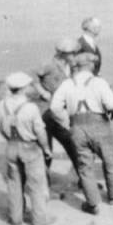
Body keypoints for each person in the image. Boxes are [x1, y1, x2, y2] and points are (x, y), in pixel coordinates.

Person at [50, 52, 113, 215]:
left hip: (77, 126)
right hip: (99, 124)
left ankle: (92, 204)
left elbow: (54, 108)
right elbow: (112, 105)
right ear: (91, 66)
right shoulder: (98, 82)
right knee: (110, 160)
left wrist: (65, 121)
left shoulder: (67, 84)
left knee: (85, 166)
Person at [0, 72, 55, 225]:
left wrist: (9, 138)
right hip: (30, 148)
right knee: (36, 184)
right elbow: (40, 132)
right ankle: (39, 219)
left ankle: (15, 218)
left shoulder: (2, 105)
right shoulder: (31, 107)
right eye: (27, 85)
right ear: (22, 89)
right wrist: (46, 148)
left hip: (11, 146)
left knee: (14, 183)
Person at [32, 38, 82, 177]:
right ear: (62, 53)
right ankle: (43, 186)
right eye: (72, 53)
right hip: (44, 112)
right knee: (46, 150)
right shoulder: (49, 64)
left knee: (73, 145)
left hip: (58, 112)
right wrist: (42, 92)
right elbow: (32, 75)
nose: (74, 56)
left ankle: (84, 180)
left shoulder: (71, 67)